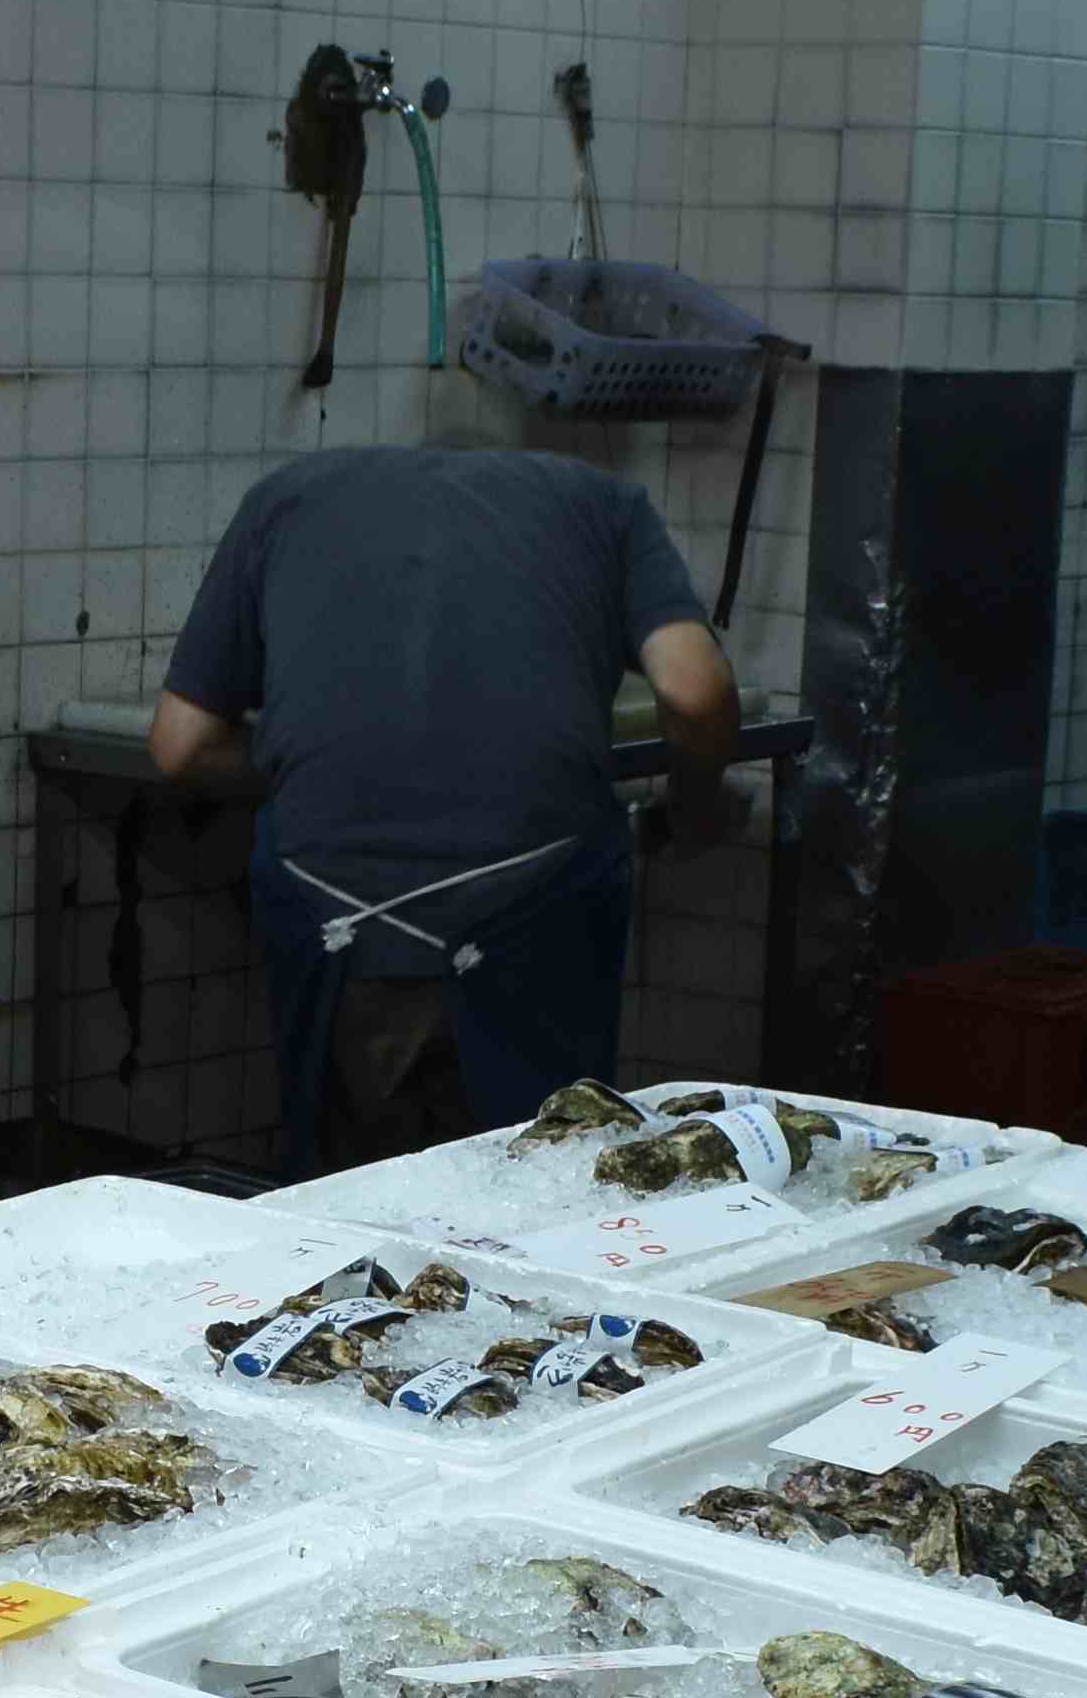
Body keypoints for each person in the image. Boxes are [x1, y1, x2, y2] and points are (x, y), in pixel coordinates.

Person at [147, 438, 741, 1172]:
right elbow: (694, 690)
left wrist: (306, 766)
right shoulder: (605, 506)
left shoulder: (284, 498)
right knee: (531, 1192)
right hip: (529, 916)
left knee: (346, 1203)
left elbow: (180, 743)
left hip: (330, 915)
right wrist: (693, 811)